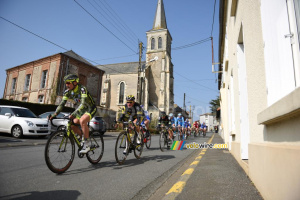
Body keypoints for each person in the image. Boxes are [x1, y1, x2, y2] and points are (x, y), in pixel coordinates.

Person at [49, 74, 97, 154]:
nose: (66, 85)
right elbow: (62, 104)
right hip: (82, 110)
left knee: (82, 121)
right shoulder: (67, 92)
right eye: (66, 83)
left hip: (90, 107)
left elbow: (83, 103)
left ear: (75, 83)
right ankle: (83, 137)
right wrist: (55, 114)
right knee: (72, 123)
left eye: (68, 83)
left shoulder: (82, 89)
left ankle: (87, 144)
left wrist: (74, 113)